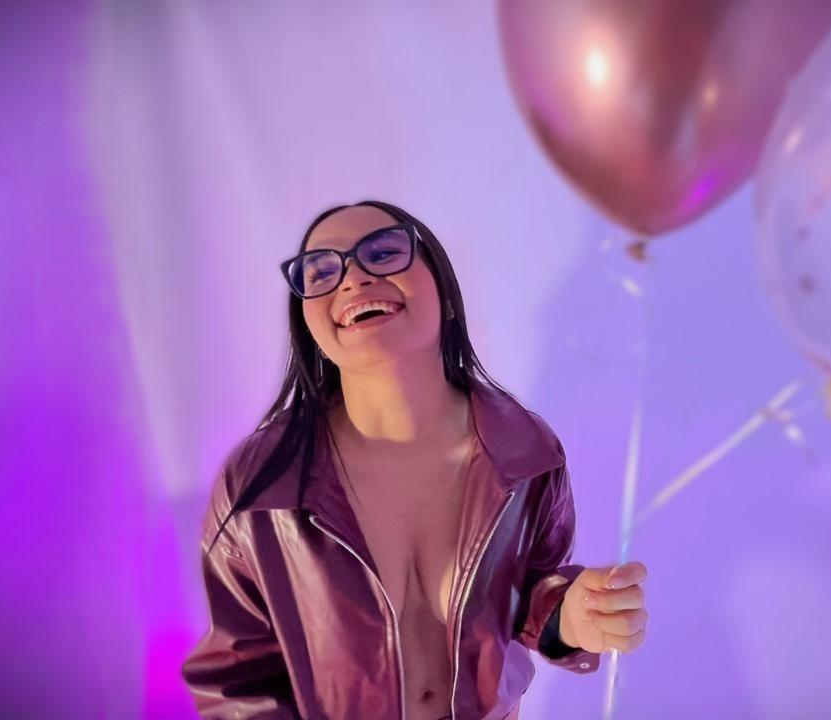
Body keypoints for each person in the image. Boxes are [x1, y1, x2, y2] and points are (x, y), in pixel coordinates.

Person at [181, 200, 649, 719]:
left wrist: (570, 615)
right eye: (321, 271)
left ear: (445, 293)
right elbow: (235, 682)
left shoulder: (525, 453)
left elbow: (528, 591)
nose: (354, 279)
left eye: (383, 253)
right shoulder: (263, 484)